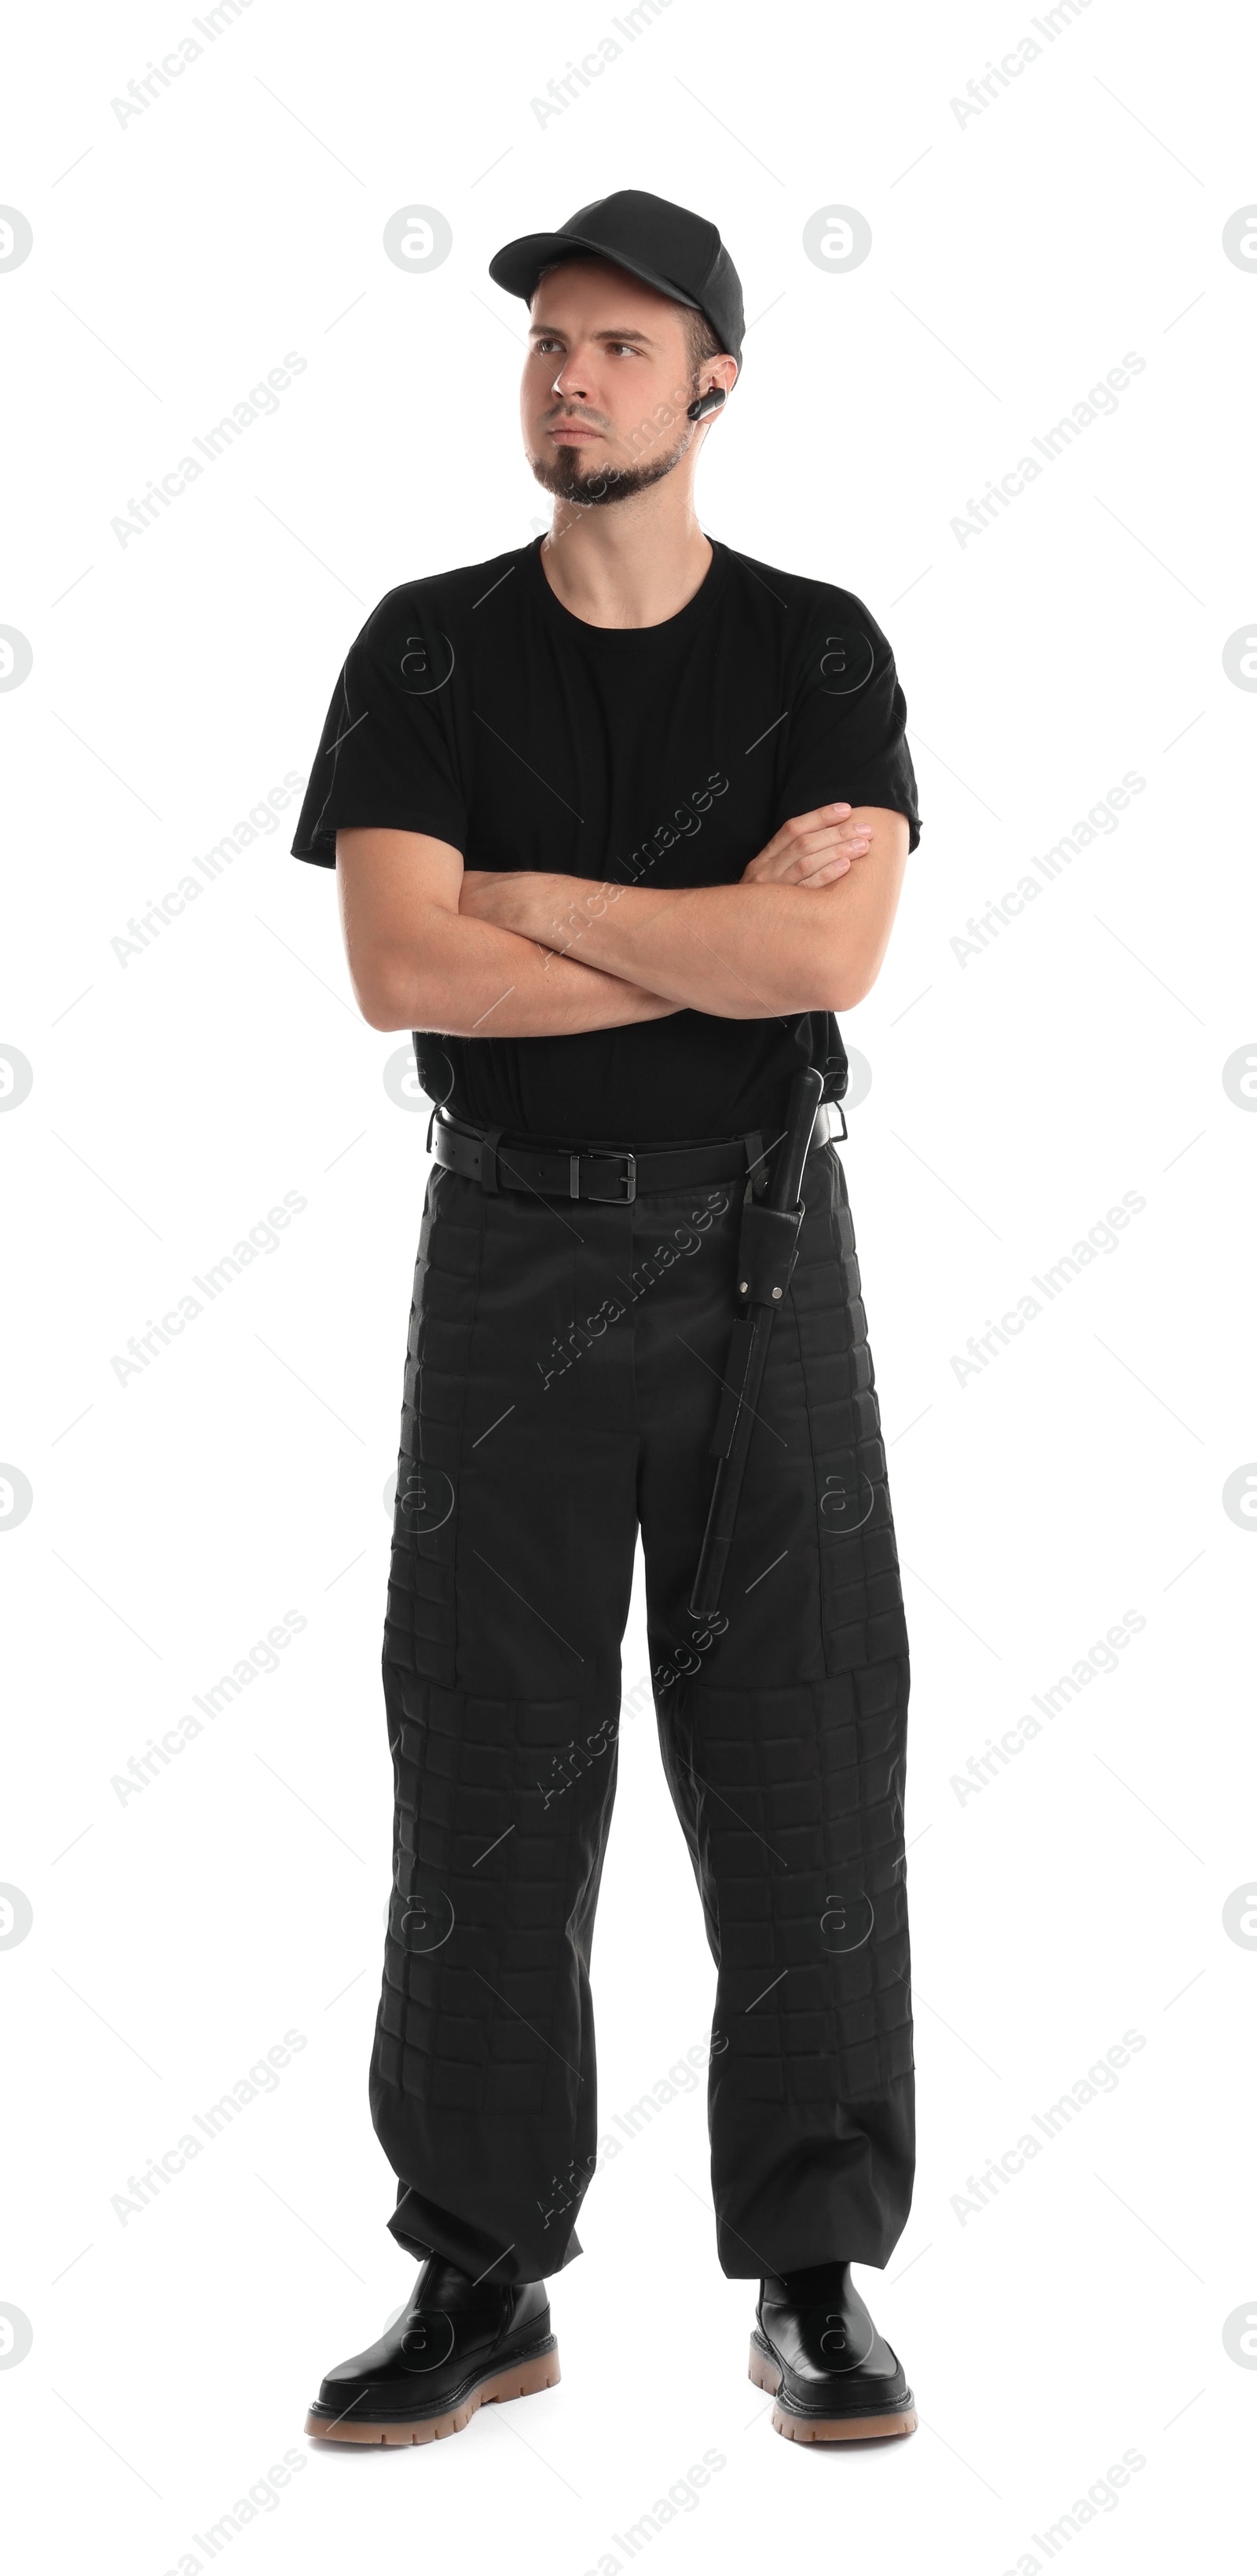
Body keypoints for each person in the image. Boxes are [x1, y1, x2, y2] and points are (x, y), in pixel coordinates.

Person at [291, 189, 922, 2450]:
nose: (574, 374)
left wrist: (534, 900)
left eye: (624, 346)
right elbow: (402, 968)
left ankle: (818, 2271)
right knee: (484, 1758)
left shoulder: (821, 654)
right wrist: (683, 918)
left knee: (806, 1758)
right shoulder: (428, 652)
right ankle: (479, 2272)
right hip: (512, 1252)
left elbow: (821, 967)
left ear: (716, 379)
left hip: (763, 1253)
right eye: (550, 342)